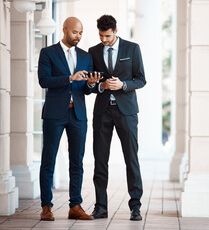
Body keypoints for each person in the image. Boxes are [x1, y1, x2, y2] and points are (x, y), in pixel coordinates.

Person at [38, 17, 101, 221]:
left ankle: (75, 206)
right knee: (49, 160)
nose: (78, 36)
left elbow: (85, 89)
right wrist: (69, 78)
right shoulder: (48, 53)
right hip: (54, 114)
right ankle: (46, 206)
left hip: (78, 114)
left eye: (81, 33)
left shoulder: (86, 56)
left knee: (77, 161)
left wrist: (91, 84)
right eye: (75, 32)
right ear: (64, 30)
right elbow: (43, 80)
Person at [89, 15, 146, 221]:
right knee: (100, 159)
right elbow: (90, 85)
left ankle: (136, 206)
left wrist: (123, 85)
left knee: (131, 158)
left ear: (115, 31)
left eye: (107, 35)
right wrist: (100, 86)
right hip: (102, 112)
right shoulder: (93, 52)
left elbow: (141, 80)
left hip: (127, 112)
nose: (104, 40)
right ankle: (101, 206)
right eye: (101, 36)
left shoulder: (132, 49)